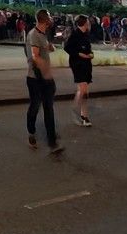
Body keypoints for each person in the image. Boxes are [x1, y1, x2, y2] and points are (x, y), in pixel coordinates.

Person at [25, 9, 63, 155]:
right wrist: (46, 69)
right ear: (45, 20)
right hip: (35, 78)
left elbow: (43, 49)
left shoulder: (42, 34)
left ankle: (52, 140)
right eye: (49, 17)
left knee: (49, 108)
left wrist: (50, 47)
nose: (51, 19)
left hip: (46, 78)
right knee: (35, 106)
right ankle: (31, 132)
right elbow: (35, 56)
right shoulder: (33, 35)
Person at [64, 14, 95, 127]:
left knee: (85, 90)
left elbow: (88, 48)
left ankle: (83, 114)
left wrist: (91, 54)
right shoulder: (74, 34)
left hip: (86, 63)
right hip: (78, 64)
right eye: (88, 22)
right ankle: (75, 110)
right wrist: (79, 54)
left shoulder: (86, 34)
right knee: (82, 89)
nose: (89, 24)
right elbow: (67, 47)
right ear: (84, 23)